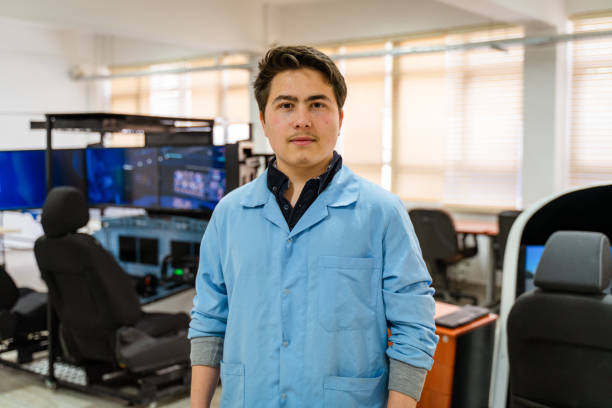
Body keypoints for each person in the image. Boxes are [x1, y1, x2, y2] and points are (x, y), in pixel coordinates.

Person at [189, 45, 438, 408]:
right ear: (264, 119)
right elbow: (209, 319)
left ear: (339, 116)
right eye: (286, 105)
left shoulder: (381, 213)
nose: (302, 120)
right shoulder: (229, 213)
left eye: (317, 104)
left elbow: (413, 327)